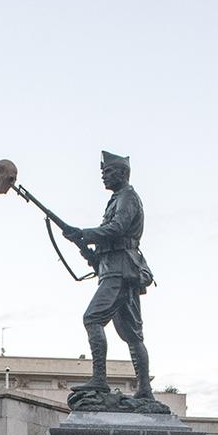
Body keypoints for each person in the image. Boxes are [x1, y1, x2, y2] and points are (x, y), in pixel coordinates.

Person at [63, 150, 157, 401]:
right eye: (102, 172)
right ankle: (145, 390)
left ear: (123, 173)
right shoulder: (118, 198)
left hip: (120, 271)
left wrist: (85, 233)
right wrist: (89, 251)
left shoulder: (127, 197)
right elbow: (111, 239)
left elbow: (117, 229)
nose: (104, 177)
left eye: (108, 172)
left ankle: (100, 378)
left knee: (92, 319)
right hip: (114, 269)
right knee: (132, 334)